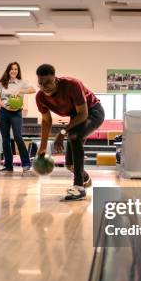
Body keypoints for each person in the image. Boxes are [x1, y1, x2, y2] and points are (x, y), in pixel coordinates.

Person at [35, 64, 104, 201]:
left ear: (55, 78)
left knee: (74, 136)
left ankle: (79, 187)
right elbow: (46, 121)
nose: (44, 87)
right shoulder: (40, 97)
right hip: (76, 117)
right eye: (41, 83)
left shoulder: (72, 85)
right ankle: (85, 178)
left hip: (93, 112)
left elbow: (83, 114)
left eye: (48, 82)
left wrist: (62, 132)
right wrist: (43, 147)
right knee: (70, 164)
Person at [0, 62, 36, 173]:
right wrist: (5, 106)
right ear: (8, 70)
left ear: (18, 71)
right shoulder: (2, 83)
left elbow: (33, 90)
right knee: (5, 139)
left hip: (17, 113)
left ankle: (26, 164)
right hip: (4, 112)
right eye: (12, 69)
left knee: (18, 137)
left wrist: (20, 90)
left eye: (16, 69)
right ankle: (8, 165)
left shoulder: (22, 83)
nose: (14, 71)